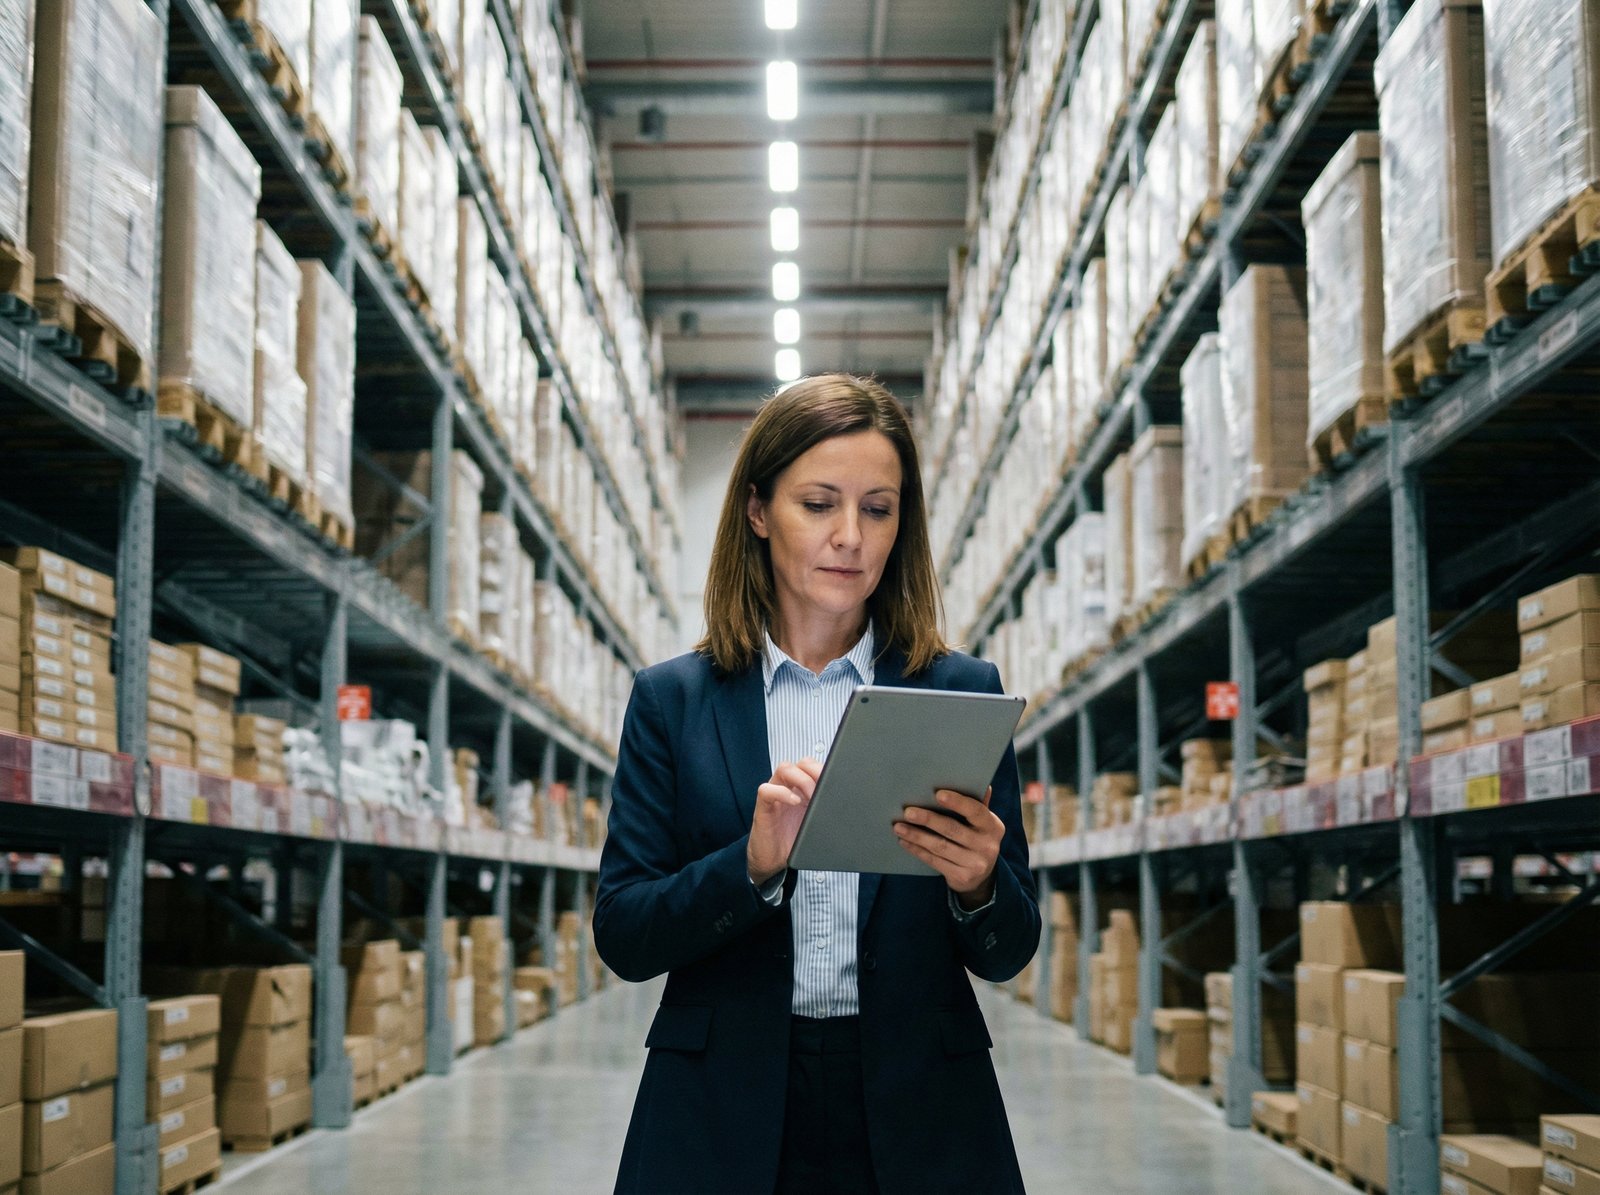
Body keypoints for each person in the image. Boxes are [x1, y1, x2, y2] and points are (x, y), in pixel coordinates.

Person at [594, 373, 1039, 1194]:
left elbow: (1011, 949)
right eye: (819, 504)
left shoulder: (960, 694)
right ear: (758, 512)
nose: (851, 537)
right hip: (723, 1103)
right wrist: (752, 867)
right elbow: (623, 932)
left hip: (919, 1108)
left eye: (878, 508)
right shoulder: (673, 702)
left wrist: (979, 885)